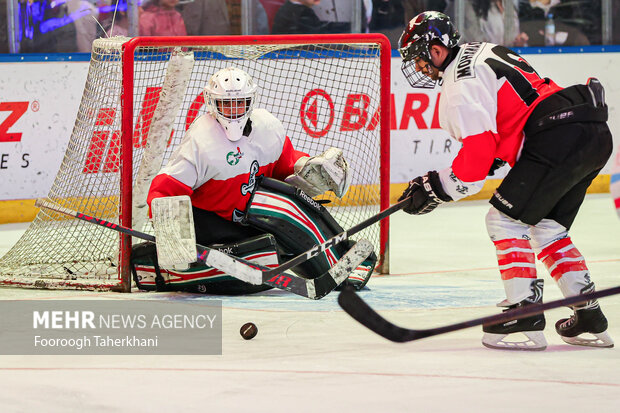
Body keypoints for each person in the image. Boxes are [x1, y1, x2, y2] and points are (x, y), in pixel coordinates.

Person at [396, 11, 613, 350]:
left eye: (421, 58)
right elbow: (513, 114)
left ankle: (524, 311)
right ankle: (589, 313)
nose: (420, 67)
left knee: (503, 220)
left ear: (437, 49)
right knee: (547, 227)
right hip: (590, 128)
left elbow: (476, 161)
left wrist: (435, 188)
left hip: (556, 134)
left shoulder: (458, 83)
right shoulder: (480, 50)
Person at [131, 67, 375, 295]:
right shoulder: (201, 140)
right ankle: (168, 271)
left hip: (249, 217)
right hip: (209, 221)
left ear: (251, 101)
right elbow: (164, 189)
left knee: (288, 207)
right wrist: (175, 240)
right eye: (226, 104)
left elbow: (285, 164)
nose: (234, 110)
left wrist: (307, 166)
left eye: (240, 103)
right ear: (212, 102)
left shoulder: (267, 127)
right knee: (267, 250)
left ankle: (339, 259)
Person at [445, 0, 528, 47]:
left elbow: (512, 37)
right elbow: (476, 40)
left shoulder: (509, 6)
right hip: (480, 60)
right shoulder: (468, 5)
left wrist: (518, 42)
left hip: (506, 58)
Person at [271, 0, 350, 35]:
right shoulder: (297, 12)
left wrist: (353, 27)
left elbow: (321, 27)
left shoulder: (293, 9)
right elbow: (320, 33)